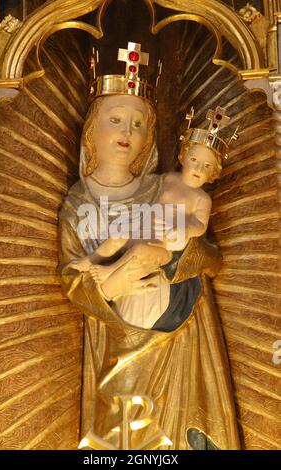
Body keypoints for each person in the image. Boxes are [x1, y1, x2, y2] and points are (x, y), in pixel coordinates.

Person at [59, 42, 240, 449]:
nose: (127, 132)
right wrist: (109, 285)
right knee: (118, 429)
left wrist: (173, 260)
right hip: (111, 331)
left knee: (175, 431)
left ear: (151, 137)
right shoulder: (76, 202)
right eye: (116, 119)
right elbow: (71, 274)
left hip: (177, 333)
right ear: (92, 128)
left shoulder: (164, 187)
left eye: (138, 124)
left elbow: (210, 257)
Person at [64, 138, 221, 287]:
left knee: (139, 252)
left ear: (213, 173)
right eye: (194, 160)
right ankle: (92, 259)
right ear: (183, 158)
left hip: (163, 246)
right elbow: (149, 188)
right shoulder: (170, 178)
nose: (198, 168)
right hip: (141, 230)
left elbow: (200, 225)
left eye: (207, 166)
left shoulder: (202, 198)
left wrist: (185, 229)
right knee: (119, 235)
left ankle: (109, 271)